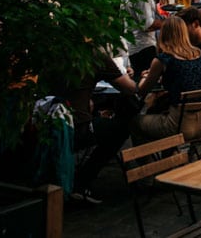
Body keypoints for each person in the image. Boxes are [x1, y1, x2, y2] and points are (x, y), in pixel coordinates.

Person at [52, 49, 140, 204]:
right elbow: (130, 88)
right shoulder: (94, 54)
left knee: (103, 118)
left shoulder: (54, 51)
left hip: (47, 120)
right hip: (76, 127)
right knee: (120, 129)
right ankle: (82, 181)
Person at [132, 15, 201, 143]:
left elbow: (142, 91)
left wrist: (145, 76)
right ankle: (172, 156)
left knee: (135, 123)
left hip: (179, 125)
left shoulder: (164, 59)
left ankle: (150, 162)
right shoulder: (199, 55)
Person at [121, 0, 160, 81]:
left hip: (133, 44)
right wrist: (170, 22)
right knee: (145, 83)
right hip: (143, 47)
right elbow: (148, 25)